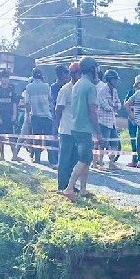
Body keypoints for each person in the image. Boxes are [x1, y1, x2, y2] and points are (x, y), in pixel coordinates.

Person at [64, 56, 101, 200]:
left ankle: (83, 189)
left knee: (86, 159)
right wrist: (98, 132)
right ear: (92, 69)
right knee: (84, 159)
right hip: (85, 127)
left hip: (75, 126)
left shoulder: (77, 84)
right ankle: (69, 188)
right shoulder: (90, 87)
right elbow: (93, 110)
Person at [54, 61, 81, 193]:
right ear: (72, 74)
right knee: (64, 160)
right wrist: (56, 127)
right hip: (66, 129)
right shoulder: (65, 90)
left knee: (74, 160)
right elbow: (58, 110)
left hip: (77, 130)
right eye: (78, 73)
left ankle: (70, 185)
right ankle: (61, 186)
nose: (80, 76)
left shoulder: (81, 89)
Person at [20, 68, 53, 164]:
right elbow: (50, 99)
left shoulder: (29, 87)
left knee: (36, 138)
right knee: (48, 138)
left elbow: (27, 103)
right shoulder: (47, 86)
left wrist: (28, 116)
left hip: (35, 116)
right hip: (46, 116)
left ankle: (37, 158)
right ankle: (51, 159)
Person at [95, 69, 123, 170]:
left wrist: (113, 105)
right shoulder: (102, 90)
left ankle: (111, 163)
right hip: (103, 121)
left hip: (112, 121)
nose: (116, 81)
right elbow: (105, 106)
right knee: (103, 143)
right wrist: (113, 106)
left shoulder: (114, 91)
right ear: (109, 80)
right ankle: (100, 162)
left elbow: (119, 104)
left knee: (114, 142)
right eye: (114, 79)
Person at [0, 68, 19, 162]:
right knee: (1, 137)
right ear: (0, 79)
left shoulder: (11, 89)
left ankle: (14, 155)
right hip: (1, 116)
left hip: (9, 115)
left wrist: (14, 114)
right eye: (4, 78)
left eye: (7, 77)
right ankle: (2, 155)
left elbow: (15, 103)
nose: (6, 79)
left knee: (11, 136)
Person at [48, 65, 71, 166]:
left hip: (68, 116)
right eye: (65, 73)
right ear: (60, 74)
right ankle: (54, 160)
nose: (67, 75)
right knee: (55, 137)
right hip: (56, 115)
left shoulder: (71, 87)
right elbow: (54, 102)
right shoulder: (54, 87)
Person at [126, 74, 140, 167]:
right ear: (136, 84)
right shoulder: (131, 92)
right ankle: (134, 161)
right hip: (132, 120)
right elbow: (126, 104)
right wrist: (131, 115)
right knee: (133, 140)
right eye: (139, 83)